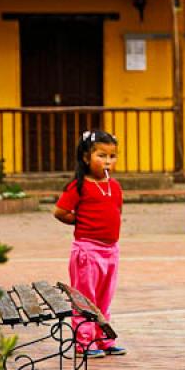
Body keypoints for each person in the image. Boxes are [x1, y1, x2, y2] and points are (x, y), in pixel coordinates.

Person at [54, 130, 126, 358]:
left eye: (112, 156)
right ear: (86, 157)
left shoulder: (114, 186)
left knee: (105, 297)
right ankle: (84, 343)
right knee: (86, 298)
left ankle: (103, 339)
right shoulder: (79, 185)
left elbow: (115, 212)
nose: (107, 161)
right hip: (87, 250)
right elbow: (60, 212)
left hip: (111, 250)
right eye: (101, 155)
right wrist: (81, 220)